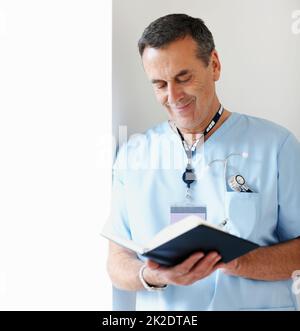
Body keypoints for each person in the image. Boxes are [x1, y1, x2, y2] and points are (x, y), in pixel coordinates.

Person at [106, 13, 300, 310]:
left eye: (183, 78)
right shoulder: (133, 155)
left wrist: (239, 262)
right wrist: (152, 275)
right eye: (159, 84)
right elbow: (117, 261)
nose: (173, 96)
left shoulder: (277, 146)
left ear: (215, 65)